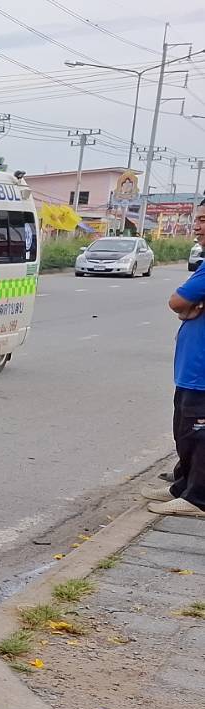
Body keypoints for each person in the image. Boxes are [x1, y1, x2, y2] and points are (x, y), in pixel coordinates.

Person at [146, 210, 205, 518]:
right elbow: (184, 305)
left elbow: (177, 301)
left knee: (198, 434)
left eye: (204, 220)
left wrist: (187, 307)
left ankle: (198, 498)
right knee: (185, 431)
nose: (197, 226)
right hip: (191, 368)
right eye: (198, 219)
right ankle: (183, 487)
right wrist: (188, 308)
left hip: (201, 372)